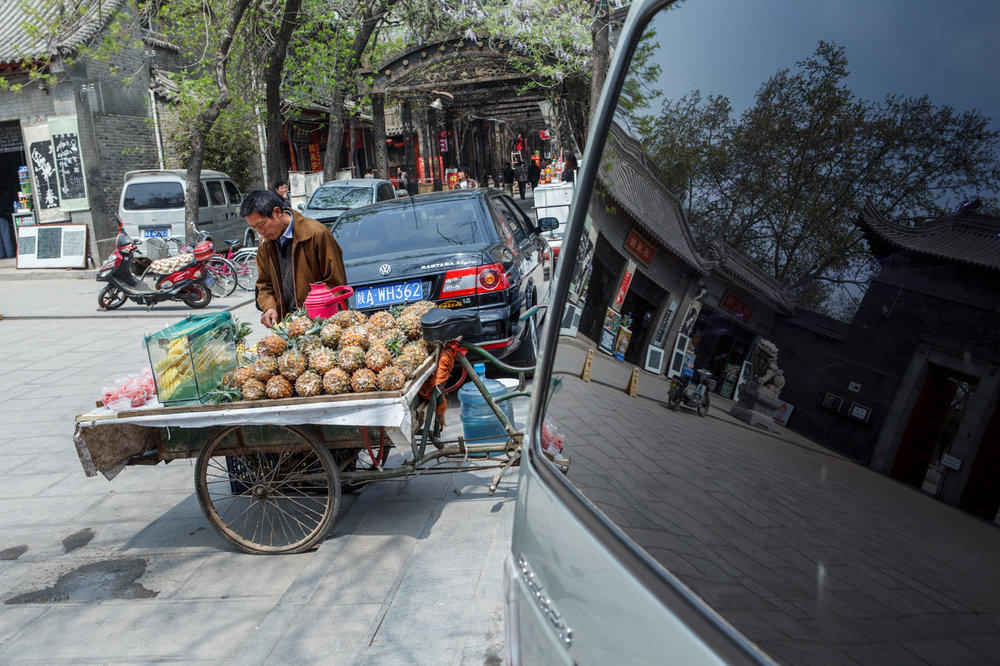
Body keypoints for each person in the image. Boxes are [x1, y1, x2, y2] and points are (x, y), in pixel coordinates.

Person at [241, 190, 347, 327]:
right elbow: (264, 284)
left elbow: (336, 282)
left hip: (323, 323)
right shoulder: (265, 244)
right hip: (288, 325)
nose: (260, 232)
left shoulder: (316, 234)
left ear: (277, 212)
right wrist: (269, 307)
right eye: (254, 228)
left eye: (261, 225)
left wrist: (311, 312)